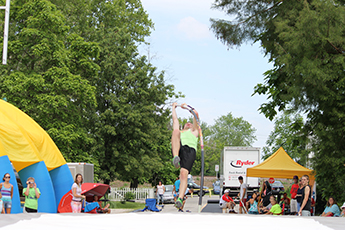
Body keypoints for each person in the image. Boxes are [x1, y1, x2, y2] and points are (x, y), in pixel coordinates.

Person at [171, 102, 199, 209]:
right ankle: (175, 158)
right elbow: (175, 120)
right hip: (179, 148)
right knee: (175, 131)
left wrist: (187, 107)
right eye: (186, 123)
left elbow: (196, 114)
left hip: (190, 151)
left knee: (183, 174)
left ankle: (180, 198)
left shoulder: (194, 132)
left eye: (190, 123)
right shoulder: (181, 132)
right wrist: (174, 107)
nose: (188, 123)